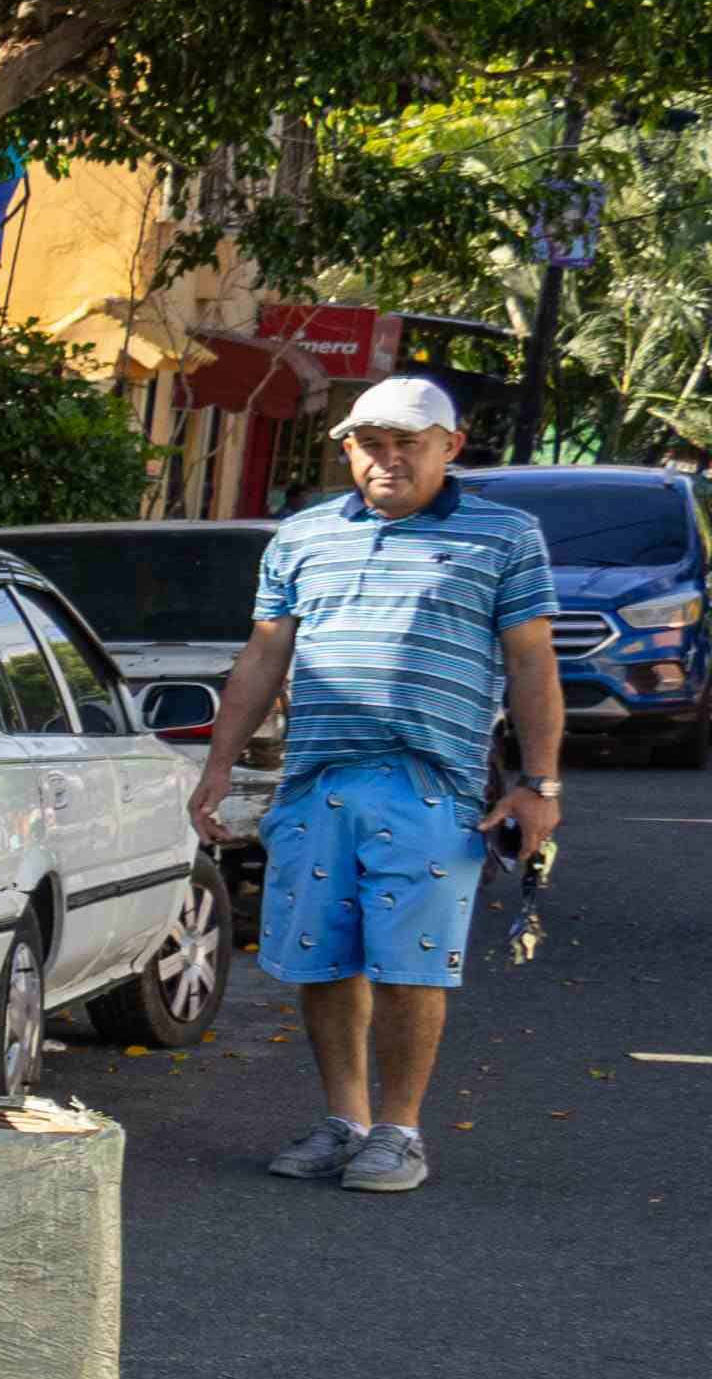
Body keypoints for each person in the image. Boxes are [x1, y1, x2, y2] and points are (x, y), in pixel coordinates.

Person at [192, 372, 559, 1197]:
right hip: (318, 783)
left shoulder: (505, 536)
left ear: (450, 448)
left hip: (434, 786)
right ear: (350, 450)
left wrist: (540, 784)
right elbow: (263, 657)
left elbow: (532, 660)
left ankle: (402, 1130)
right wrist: (218, 765)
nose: (387, 461)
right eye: (371, 445)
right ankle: (344, 1119)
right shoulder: (303, 536)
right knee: (323, 962)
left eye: (408, 446)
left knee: (410, 965)